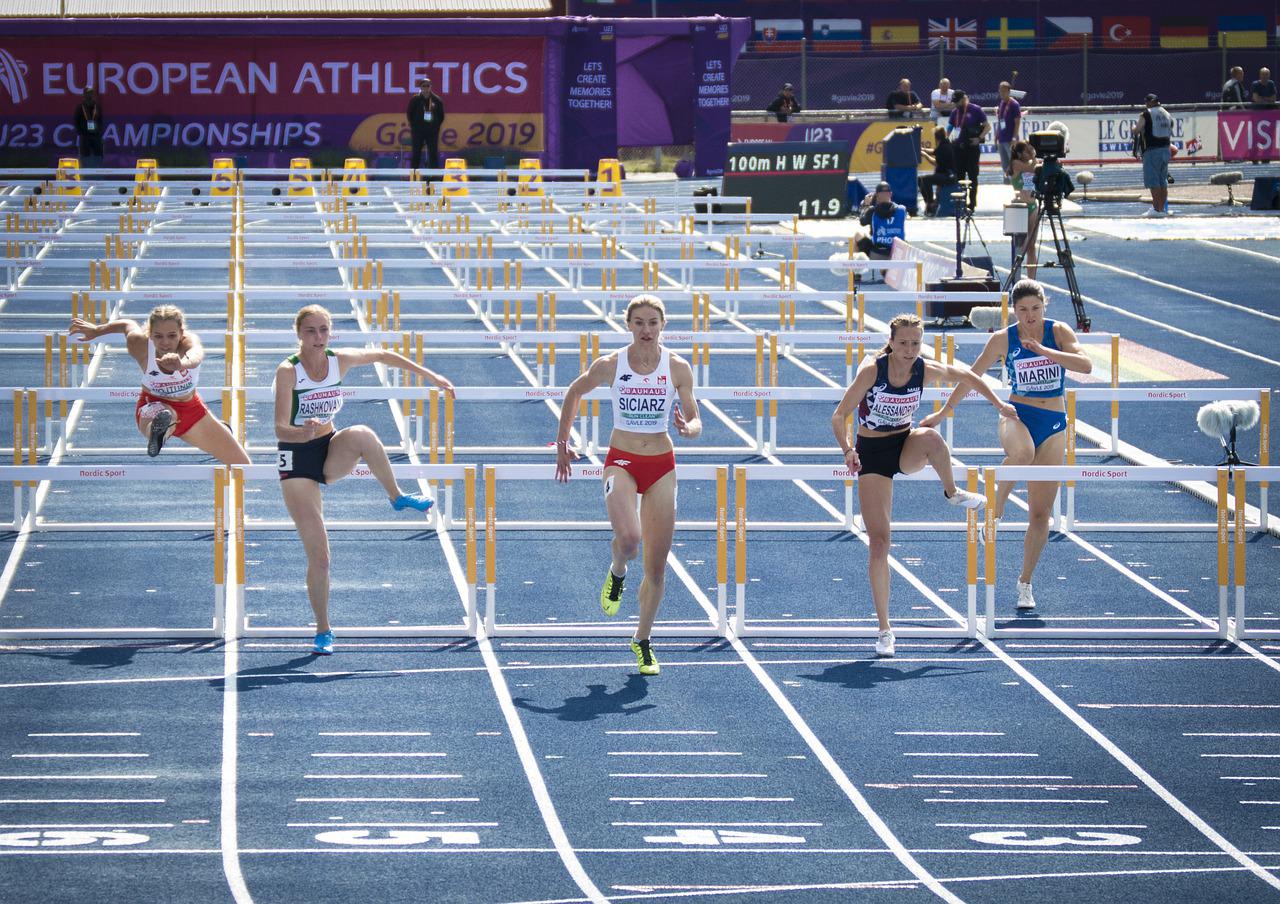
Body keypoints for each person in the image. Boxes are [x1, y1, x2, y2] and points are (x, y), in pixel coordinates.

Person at [831, 313, 1017, 657]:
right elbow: (839, 415)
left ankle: (952, 494)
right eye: (903, 343)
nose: (910, 349)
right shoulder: (873, 370)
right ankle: (885, 630)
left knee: (931, 437)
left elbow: (967, 374)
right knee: (879, 542)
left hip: (905, 446)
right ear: (891, 341)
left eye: (916, 343)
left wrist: (999, 404)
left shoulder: (924, 368)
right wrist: (848, 450)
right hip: (871, 454)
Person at [275, 305, 455, 655]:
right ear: (299, 334)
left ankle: (397, 496)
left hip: (328, 447)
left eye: (324, 330)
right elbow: (279, 427)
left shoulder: (339, 360)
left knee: (363, 434)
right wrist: (302, 430)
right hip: (296, 458)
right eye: (311, 331)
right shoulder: (288, 372)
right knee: (321, 557)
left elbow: (384, 354)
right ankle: (323, 629)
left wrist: (431, 376)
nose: (318, 338)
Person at [554, 295, 702, 676]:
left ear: (663, 325)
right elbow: (574, 391)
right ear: (629, 325)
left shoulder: (678, 367)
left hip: (661, 465)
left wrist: (689, 428)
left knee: (656, 568)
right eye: (639, 322)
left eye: (653, 322)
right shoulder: (611, 364)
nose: (646, 329)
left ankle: (642, 640)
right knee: (630, 540)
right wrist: (562, 443)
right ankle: (617, 569)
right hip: (621, 460)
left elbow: (695, 417)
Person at [937, 279, 1091, 611]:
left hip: (1053, 424)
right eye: (1022, 310)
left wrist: (1046, 351)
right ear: (1013, 311)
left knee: (1040, 514)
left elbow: (1086, 365)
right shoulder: (1002, 338)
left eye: (1035, 309)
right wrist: (945, 411)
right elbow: (972, 375)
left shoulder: (1059, 331)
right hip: (1017, 415)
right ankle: (995, 513)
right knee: (1022, 453)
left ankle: (1025, 583)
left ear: (1044, 306)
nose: (1030, 316)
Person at [69, 305, 250, 465]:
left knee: (242, 464)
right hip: (153, 404)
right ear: (149, 335)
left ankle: (187, 429)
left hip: (192, 410)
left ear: (181, 333)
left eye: (172, 336)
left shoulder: (189, 342)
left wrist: (180, 364)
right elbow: (126, 325)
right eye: (158, 336)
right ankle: (157, 434)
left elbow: (196, 355)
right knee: (166, 414)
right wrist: (97, 330)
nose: (165, 342)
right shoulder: (138, 343)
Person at [948, 89, 988, 211]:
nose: (955, 104)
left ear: (963, 99)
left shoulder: (976, 109)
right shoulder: (955, 112)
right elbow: (949, 127)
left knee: (972, 176)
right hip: (958, 150)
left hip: (972, 149)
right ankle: (961, 202)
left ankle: (972, 203)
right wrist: (946, 138)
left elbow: (987, 126)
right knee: (959, 176)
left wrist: (979, 138)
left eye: (957, 101)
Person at [1136, 93, 1172, 216]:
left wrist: (1132, 129)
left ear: (1150, 102)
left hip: (1152, 150)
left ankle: (1156, 209)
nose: (1146, 104)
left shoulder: (1146, 114)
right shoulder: (1167, 114)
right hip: (1165, 150)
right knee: (1163, 181)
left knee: (1154, 181)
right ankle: (1162, 209)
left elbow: (1137, 129)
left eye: (1147, 102)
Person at [855, 181, 907, 267]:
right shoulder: (902, 209)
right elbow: (891, 209)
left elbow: (862, 221)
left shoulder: (872, 211)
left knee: (858, 235)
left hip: (876, 254)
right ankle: (887, 270)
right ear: (890, 194)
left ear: (877, 195)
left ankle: (856, 273)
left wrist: (866, 206)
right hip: (896, 253)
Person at [1007, 140, 1040, 271]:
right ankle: (1016, 274)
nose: (1029, 153)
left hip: (1032, 206)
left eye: (1030, 150)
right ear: (1020, 153)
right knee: (1020, 245)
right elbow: (1031, 168)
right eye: (1027, 150)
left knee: (1031, 245)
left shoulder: (1032, 163)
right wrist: (1034, 155)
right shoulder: (1016, 164)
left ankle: (1032, 279)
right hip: (1020, 208)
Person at [406, 78, 446, 174]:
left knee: (433, 154)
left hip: (432, 132)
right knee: (416, 153)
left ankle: (435, 177)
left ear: (431, 87)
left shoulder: (437, 100)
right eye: (424, 86)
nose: (426, 88)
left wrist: (435, 126)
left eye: (428, 86)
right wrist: (415, 126)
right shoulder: (415, 100)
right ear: (420, 87)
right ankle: (414, 177)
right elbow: (409, 114)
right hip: (418, 131)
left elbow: (441, 116)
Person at [918, 126, 957, 216]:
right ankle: (931, 202)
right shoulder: (945, 144)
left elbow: (936, 163)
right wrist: (923, 150)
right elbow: (935, 151)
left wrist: (925, 155)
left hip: (948, 176)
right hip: (948, 174)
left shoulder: (943, 148)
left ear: (936, 137)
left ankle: (930, 202)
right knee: (926, 179)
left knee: (922, 180)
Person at [995, 81, 1022, 183]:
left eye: (1003, 91)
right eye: (1000, 90)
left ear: (1009, 91)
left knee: (1013, 163)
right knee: (1005, 165)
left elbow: (1017, 122)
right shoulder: (1001, 103)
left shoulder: (1014, 104)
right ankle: (1006, 184)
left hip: (1010, 139)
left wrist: (1014, 138)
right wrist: (996, 136)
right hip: (1002, 139)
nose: (1001, 93)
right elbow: (1000, 121)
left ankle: (1016, 185)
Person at [74, 87, 104, 160]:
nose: (89, 95)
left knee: (98, 155)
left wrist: (99, 131)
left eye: (91, 93)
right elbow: (76, 121)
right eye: (87, 93)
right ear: (84, 94)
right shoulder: (80, 107)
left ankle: (98, 168)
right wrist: (81, 132)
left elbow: (100, 119)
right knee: (85, 156)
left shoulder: (97, 106)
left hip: (96, 135)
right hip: (85, 135)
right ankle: (84, 168)